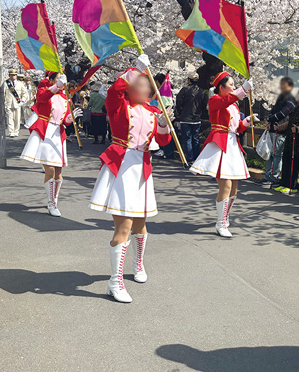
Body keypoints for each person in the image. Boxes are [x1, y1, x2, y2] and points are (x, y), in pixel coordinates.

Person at [89, 56, 172, 303]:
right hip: (121, 168)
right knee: (123, 226)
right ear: (131, 85)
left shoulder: (154, 110)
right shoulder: (118, 105)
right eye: (140, 83)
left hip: (142, 171)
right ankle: (115, 282)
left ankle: (138, 265)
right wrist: (136, 69)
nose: (146, 88)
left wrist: (164, 126)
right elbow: (115, 90)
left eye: (148, 85)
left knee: (140, 224)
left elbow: (164, 142)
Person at [190, 71, 254, 237]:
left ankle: (224, 218)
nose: (233, 87)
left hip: (232, 145)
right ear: (221, 87)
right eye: (231, 84)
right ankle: (220, 224)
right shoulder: (215, 100)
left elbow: (237, 128)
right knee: (225, 186)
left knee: (234, 188)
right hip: (220, 144)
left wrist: (246, 122)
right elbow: (226, 101)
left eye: (234, 84)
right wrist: (243, 89)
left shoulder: (233, 105)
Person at [20, 71, 82, 217]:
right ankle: (51, 203)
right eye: (59, 78)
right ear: (52, 80)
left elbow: (63, 120)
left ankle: (54, 199)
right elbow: (42, 98)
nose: (62, 81)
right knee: (50, 170)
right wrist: (57, 86)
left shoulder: (66, 97)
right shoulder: (44, 90)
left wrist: (69, 119)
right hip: (46, 132)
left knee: (59, 172)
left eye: (63, 79)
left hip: (58, 134)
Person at [274, 84, 299, 195]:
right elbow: (289, 121)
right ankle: (283, 183)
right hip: (290, 135)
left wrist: (298, 129)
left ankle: (291, 185)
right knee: (286, 158)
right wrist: (280, 127)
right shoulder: (295, 106)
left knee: (294, 161)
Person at [260, 77, 296, 189]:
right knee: (270, 153)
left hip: (280, 129)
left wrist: (272, 119)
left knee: (276, 154)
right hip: (272, 128)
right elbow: (272, 110)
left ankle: (273, 177)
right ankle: (267, 176)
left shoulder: (291, 98)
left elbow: (283, 113)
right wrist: (267, 120)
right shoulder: (280, 97)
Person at [175, 71, 208, 165]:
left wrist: (180, 113)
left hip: (185, 118)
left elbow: (178, 103)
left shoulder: (184, 90)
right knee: (196, 138)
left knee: (187, 138)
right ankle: (196, 157)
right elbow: (204, 105)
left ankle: (189, 158)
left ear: (189, 80)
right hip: (197, 118)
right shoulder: (202, 92)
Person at [4, 70, 27, 138]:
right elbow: (3, 93)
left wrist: (22, 100)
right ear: (9, 75)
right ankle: (11, 132)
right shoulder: (6, 83)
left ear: (16, 76)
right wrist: (3, 100)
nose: (13, 76)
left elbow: (25, 93)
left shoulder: (20, 84)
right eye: (12, 75)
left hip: (17, 103)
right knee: (9, 118)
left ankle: (16, 131)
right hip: (9, 103)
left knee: (17, 118)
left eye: (14, 75)